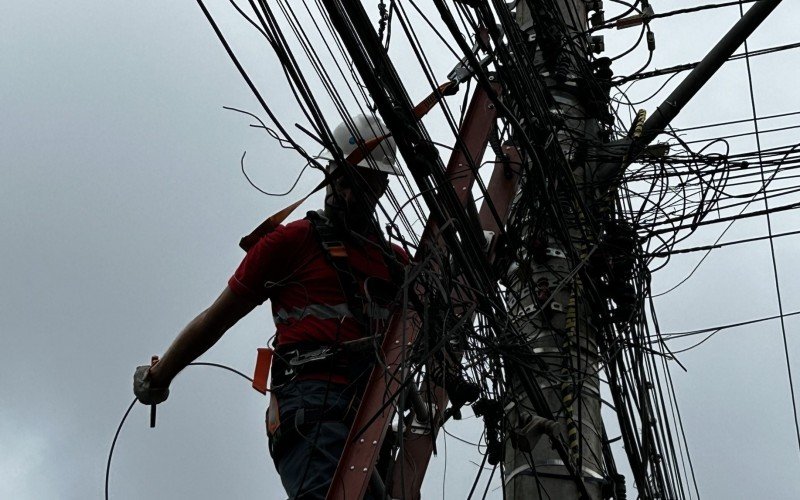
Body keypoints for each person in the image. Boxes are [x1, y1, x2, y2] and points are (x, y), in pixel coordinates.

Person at [133, 114, 408, 499]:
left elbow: (441, 310)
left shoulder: (397, 265)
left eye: (360, 186)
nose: (345, 195)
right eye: (342, 180)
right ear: (329, 170)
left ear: (380, 188)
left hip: (371, 416)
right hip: (311, 406)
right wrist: (160, 376)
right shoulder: (291, 243)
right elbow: (215, 321)